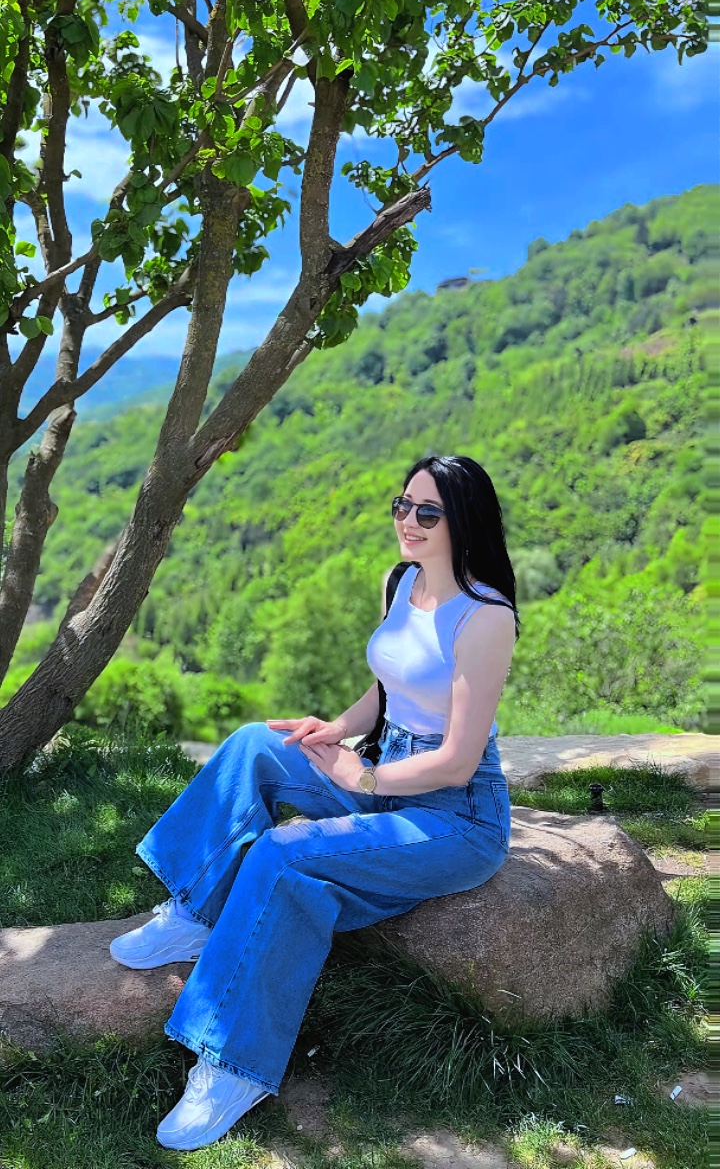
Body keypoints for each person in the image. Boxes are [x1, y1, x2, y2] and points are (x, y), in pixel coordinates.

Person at [110, 454, 519, 1152]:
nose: (409, 521)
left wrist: (365, 781)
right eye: (403, 505)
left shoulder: (486, 618)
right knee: (254, 744)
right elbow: (387, 691)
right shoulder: (402, 581)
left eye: (428, 512)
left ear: (464, 521)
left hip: (455, 815)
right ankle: (196, 913)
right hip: (382, 770)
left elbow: (456, 758)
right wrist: (336, 730)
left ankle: (232, 1065)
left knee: (283, 856)